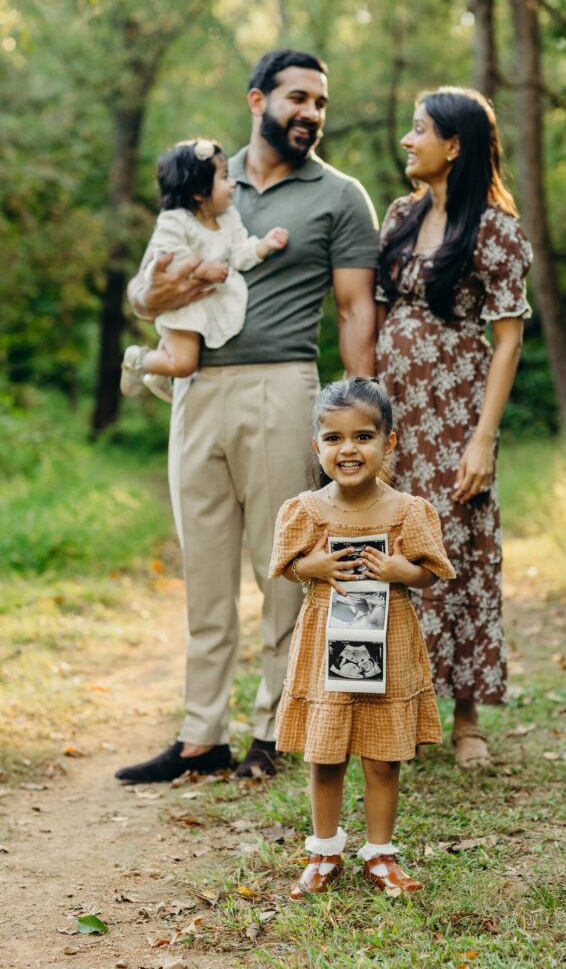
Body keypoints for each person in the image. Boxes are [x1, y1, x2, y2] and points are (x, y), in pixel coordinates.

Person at [115, 50, 378, 784]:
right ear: (257, 99)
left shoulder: (341, 196)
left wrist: (362, 418)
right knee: (204, 568)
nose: (311, 114)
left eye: (321, 103)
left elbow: (357, 307)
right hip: (196, 392)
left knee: (282, 567)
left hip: (282, 389)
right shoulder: (201, 182)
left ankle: (272, 728)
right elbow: (147, 291)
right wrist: (155, 302)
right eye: (299, 98)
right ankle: (202, 736)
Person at [375, 87, 533, 768]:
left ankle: (465, 714)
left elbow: (507, 341)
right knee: (391, 549)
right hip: (397, 414)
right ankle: (403, 705)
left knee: (454, 552)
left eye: (420, 130)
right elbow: (379, 317)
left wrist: (481, 438)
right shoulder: (400, 216)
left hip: (456, 411)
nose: (408, 141)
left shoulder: (497, 231)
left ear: (455, 145)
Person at [269, 378, 455, 898]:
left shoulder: (407, 510)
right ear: (317, 446)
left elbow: (429, 572)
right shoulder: (304, 510)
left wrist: (403, 570)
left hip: (388, 641)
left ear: (389, 442)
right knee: (325, 754)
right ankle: (324, 852)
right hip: (325, 642)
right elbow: (286, 568)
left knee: (381, 756)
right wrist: (316, 565)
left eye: (363, 436)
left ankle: (381, 856)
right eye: (333, 438)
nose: (348, 449)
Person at [120, 137, 289, 403]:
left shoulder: (228, 217)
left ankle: (159, 375)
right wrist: (202, 269)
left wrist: (263, 246)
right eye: (224, 178)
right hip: (184, 305)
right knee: (185, 364)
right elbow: (165, 258)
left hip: (207, 302)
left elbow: (239, 253)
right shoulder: (174, 221)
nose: (233, 184)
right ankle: (140, 360)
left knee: (180, 354)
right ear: (199, 193)